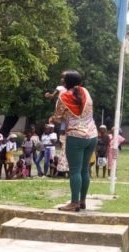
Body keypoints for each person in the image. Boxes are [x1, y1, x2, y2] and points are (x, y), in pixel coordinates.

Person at [49, 70, 98, 212]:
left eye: (62, 79)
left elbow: (58, 118)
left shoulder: (63, 97)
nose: (61, 81)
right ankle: (82, 201)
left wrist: (53, 118)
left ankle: (74, 202)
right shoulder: (86, 92)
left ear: (66, 83)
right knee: (84, 170)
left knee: (75, 171)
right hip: (92, 135)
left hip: (75, 136)